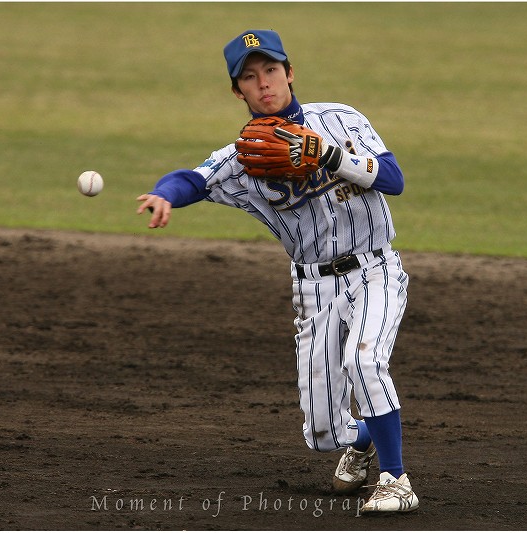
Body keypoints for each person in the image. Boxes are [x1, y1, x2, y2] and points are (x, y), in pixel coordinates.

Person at [136, 29, 419, 514]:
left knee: (366, 361)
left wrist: (329, 155)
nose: (263, 82)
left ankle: (396, 481)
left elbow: (393, 179)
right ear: (238, 91)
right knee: (324, 434)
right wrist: (165, 194)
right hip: (313, 285)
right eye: (250, 77)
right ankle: (366, 438)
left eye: (271, 70)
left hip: (375, 269)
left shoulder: (341, 119)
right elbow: (193, 178)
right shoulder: (243, 160)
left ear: (290, 73)